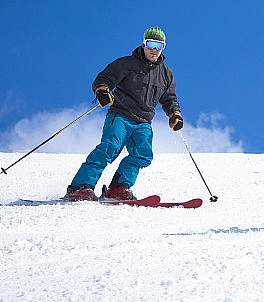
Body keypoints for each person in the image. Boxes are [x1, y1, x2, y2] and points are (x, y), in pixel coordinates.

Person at [65, 27, 183, 201]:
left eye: (159, 45)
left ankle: (118, 188)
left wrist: (174, 114)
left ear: (163, 47)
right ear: (143, 44)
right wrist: (102, 91)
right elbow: (104, 78)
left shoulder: (166, 74)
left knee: (143, 154)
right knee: (109, 148)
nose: (154, 49)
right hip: (121, 115)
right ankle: (81, 186)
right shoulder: (127, 63)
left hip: (143, 122)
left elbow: (169, 98)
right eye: (151, 44)